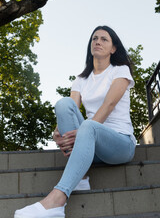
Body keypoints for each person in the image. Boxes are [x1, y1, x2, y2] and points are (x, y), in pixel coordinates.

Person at [14, 25, 136, 218]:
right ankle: (81, 177)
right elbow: (71, 108)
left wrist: (86, 129)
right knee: (63, 103)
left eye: (104, 39)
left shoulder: (120, 70)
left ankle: (57, 199)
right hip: (91, 145)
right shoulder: (81, 79)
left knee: (89, 124)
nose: (97, 41)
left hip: (120, 144)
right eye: (94, 38)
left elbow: (109, 104)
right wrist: (57, 131)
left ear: (113, 49)